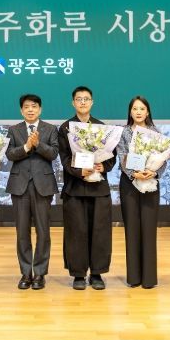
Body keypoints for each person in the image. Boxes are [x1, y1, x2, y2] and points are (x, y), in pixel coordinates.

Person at [58, 86, 116, 290]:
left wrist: (103, 166)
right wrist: (78, 171)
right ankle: (78, 274)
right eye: (79, 99)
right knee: (76, 232)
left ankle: (97, 273)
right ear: (73, 103)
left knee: (100, 232)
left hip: (99, 189)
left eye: (86, 99)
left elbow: (112, 156)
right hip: (75, 188)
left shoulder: (102, 127)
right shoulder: (65, 128)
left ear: (92, 102)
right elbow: (64, 158)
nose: (82, 102)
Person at [5, 94, 59, 290]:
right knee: (22, 232)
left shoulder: (50, 129)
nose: (30, 109)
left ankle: (40, 273)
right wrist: (27, 147)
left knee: (43, 232)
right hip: (20, 185)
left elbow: (53, 153)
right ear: (21, 110)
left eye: (34, 106)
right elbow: (9, 154)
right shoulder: (13, 130)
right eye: (26, 106)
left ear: (40, 109)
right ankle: (26, 273)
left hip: (43, 185)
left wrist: (38, 145)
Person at [116, 96, 164, 289]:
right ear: (130, 111)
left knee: (149, 229)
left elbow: (163, 159)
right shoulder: (123, 132)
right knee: (132, 229)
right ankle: (134, 277)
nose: (138, 112)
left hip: (150, 183)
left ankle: (149, 278)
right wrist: (133, 173)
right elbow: (122, 156)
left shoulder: (156, 132)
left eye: (142, 109)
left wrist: (154, 172)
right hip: (130, 184)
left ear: (147, 111)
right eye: (135, 109)